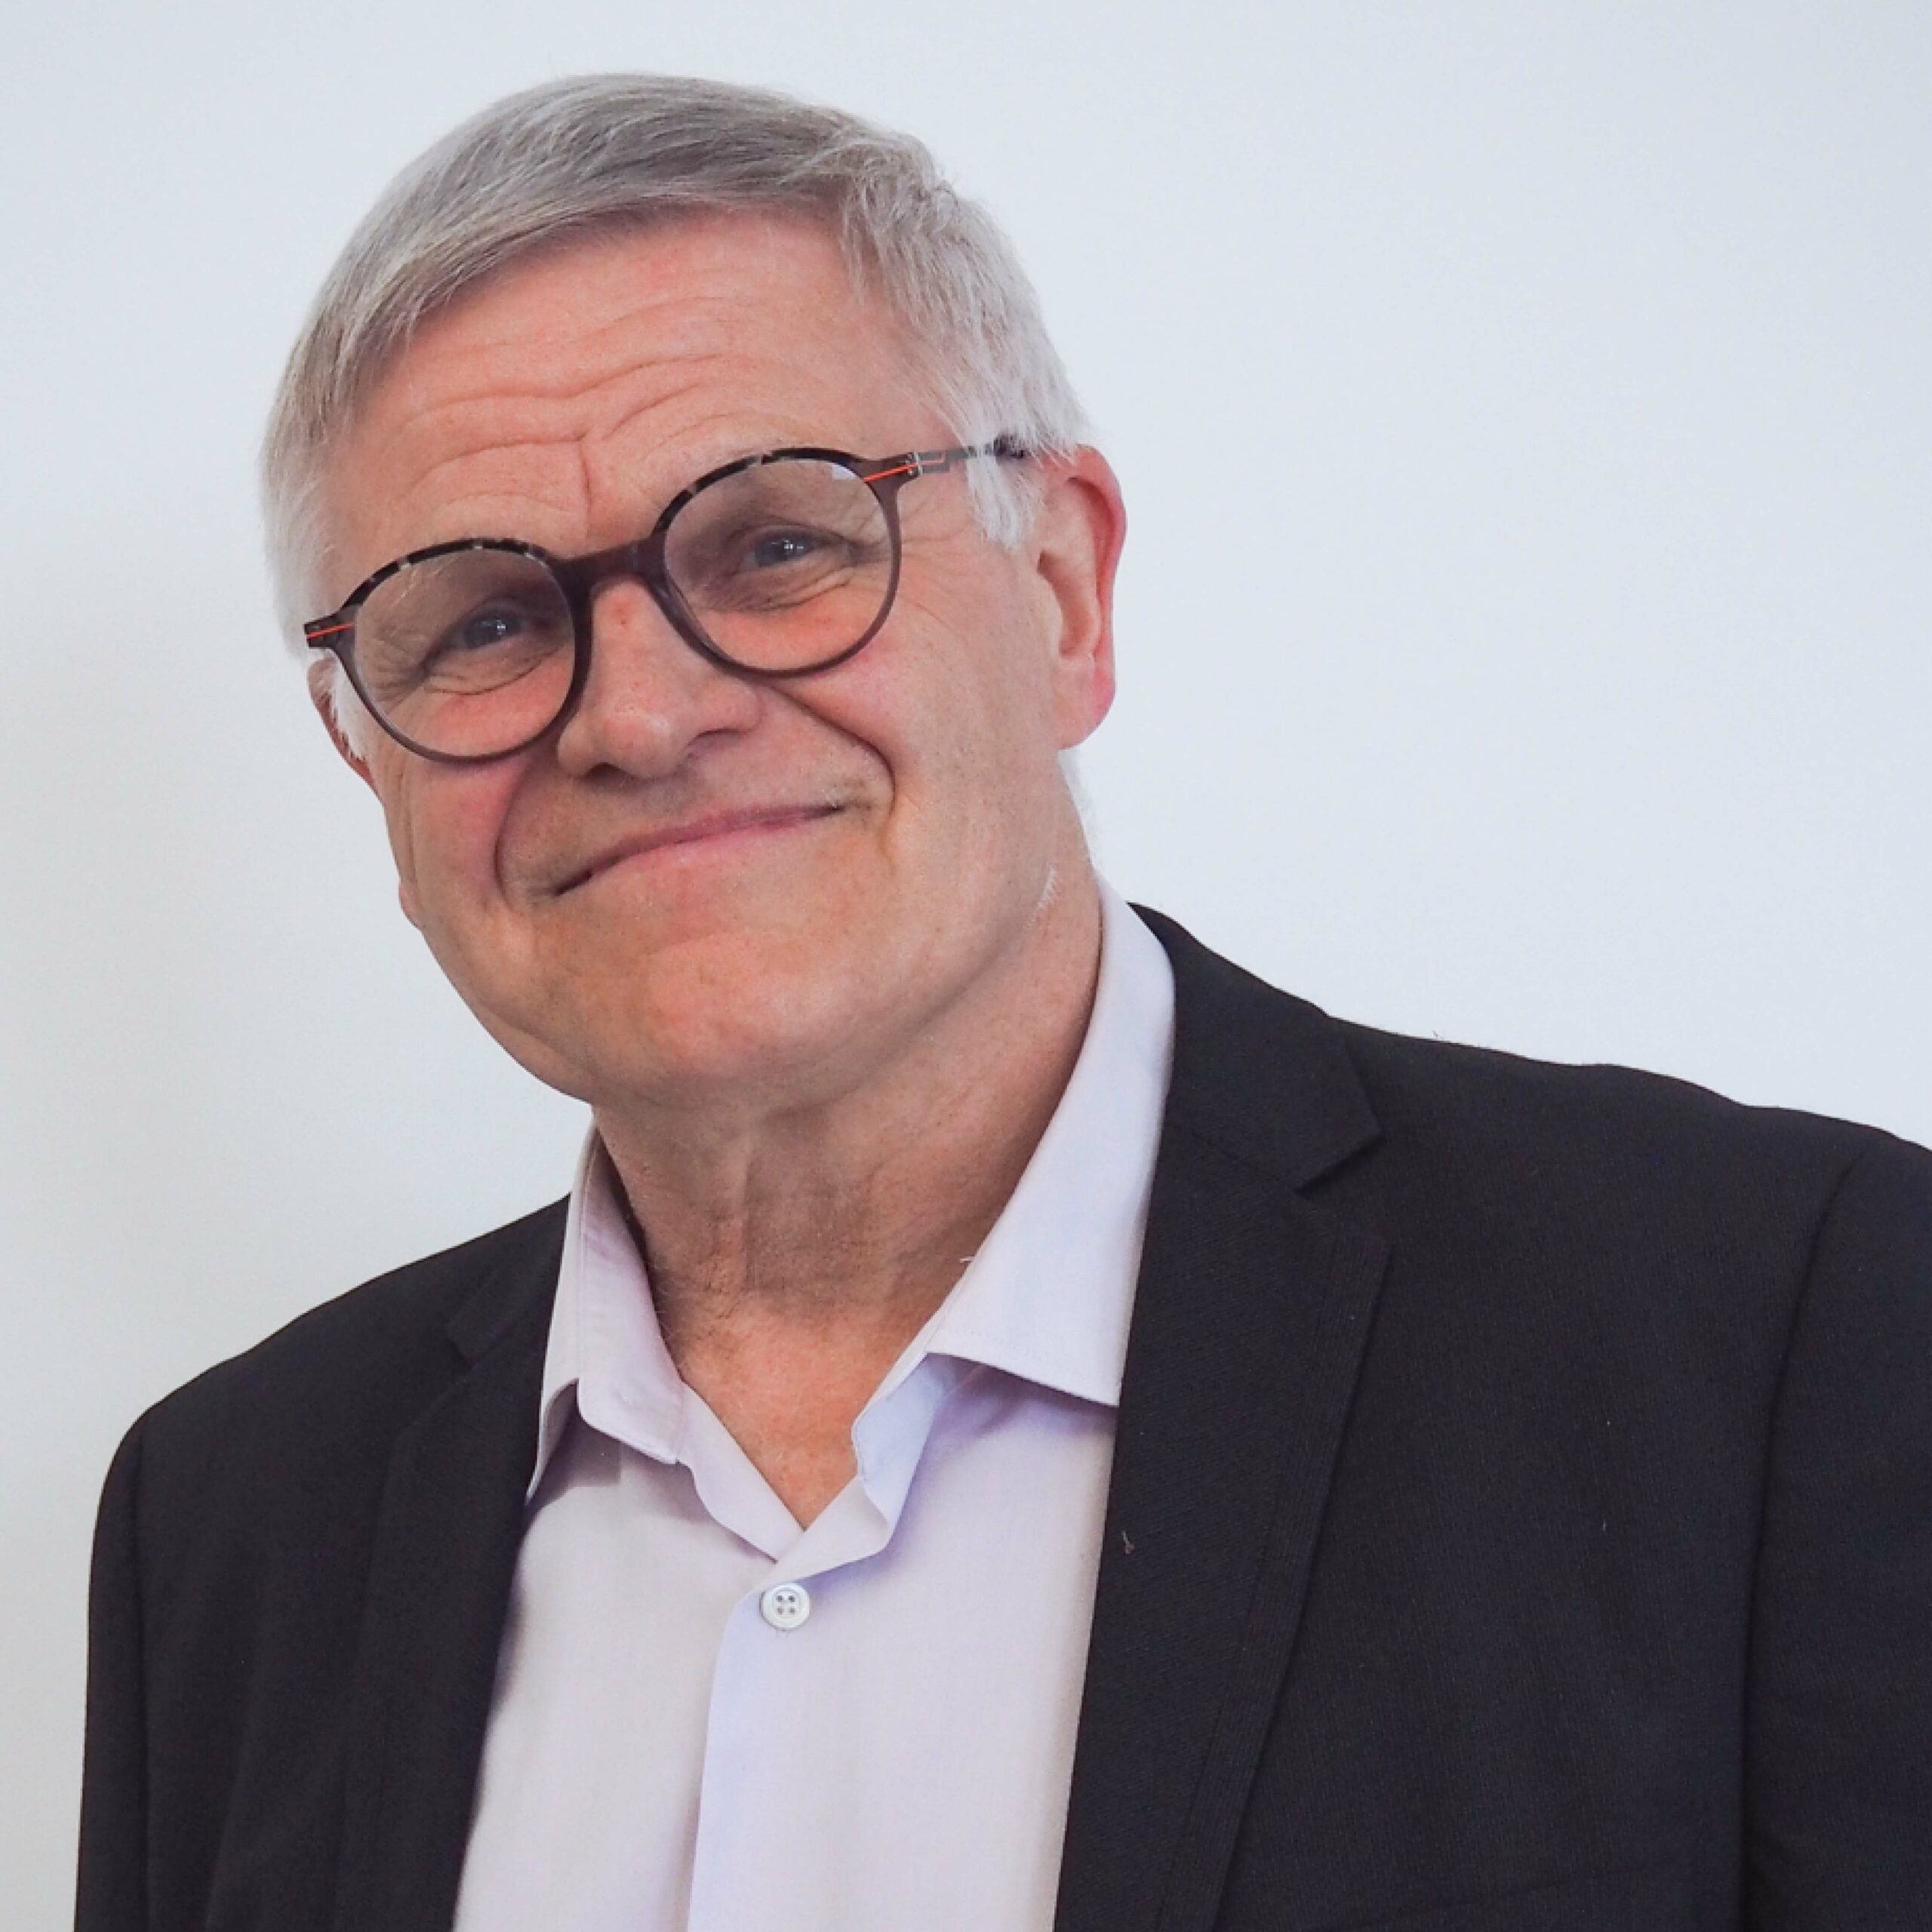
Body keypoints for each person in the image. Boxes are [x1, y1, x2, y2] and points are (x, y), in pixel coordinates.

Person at [75, 74, 1930, 1932]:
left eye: (776, 543)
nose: (635, 716)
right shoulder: (230, 1520)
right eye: (482, 621)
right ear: (368, 759)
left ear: (1062, 589)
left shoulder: (1781, 1329)